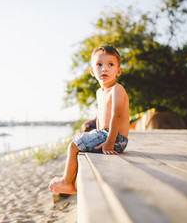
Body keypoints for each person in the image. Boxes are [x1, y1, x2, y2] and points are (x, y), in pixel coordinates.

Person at [49, 45, 130, 194]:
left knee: (73, 146)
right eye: (99, 64)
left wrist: (110, 142)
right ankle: (72, 181)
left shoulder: (117, 89)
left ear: (118, 71)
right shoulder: (100, 92)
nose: (104, 69)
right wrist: (97, 132)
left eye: (110, 64)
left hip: (115, 138)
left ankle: (67, 182)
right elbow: (101, 116)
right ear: (92, 71)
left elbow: (116, 116)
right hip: (106, 134)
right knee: (81, 143)